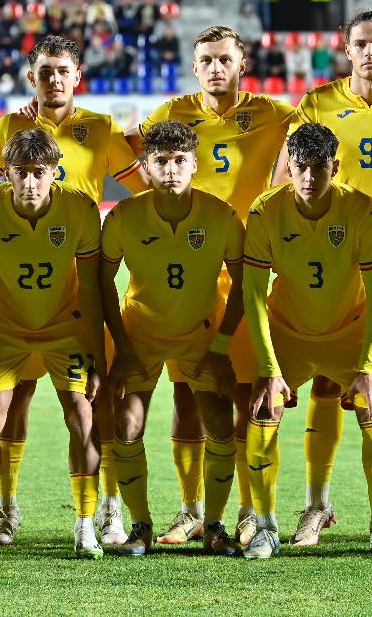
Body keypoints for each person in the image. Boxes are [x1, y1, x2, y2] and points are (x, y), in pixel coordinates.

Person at [0, 34, 147, 548]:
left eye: (63, 71)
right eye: (45, 71)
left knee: (96, 404)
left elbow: (146, 192)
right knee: (11, 404)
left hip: (76, 294)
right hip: (14, 294)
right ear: (31, 78)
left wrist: (146, 139)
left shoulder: (100, 128)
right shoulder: (9, 128)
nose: (54, 79)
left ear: (77, 76)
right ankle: (5, 509)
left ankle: (107, 508)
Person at [126, 25, 298, 546]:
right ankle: (190, 510)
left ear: (243, 64)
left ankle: (247, 510)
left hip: (246, 269)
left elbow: (328, 123)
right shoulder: (171, 112)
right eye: (206, 60)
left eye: (225, 59)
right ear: (195, 66)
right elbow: (132, 150)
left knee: (245, 395)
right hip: (191, 274)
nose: (216, 67)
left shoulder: (273, 113)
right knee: (186, 396)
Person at [273, 10, 372, 552]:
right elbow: (286, 176)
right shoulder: (318, 103)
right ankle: (316, 504)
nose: (370, 53)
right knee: (326, 383)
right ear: (346, 50)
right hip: (335, 268)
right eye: (361, 44)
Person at [240, 122, 372, 559]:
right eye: (300, 166)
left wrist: (367, 366)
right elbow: (253, 294)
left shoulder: (359, 209)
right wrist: (268, 369)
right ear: (288, 166)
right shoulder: (265, 210)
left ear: (335, 167)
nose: (308, 177)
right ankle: (265, 527)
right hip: (289, 332)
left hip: (348, 333)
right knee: (262, 413)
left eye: (319, 167)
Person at [102, 121, 245, 557]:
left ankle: (214, 526)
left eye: (180, 160)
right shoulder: (124, 216)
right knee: (126, 426)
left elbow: (244, 284)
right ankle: (140, 527)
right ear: (145, 167)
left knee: (220, 425)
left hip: (201, 335)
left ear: (194, 165)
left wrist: (220, 348)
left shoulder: (221, 215)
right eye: (161, 161)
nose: (170, 170)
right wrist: (122, 349)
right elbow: (102, 284)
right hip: (141, 333)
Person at [0, 129, 106, 559]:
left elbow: (92, 289)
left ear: (54, 172)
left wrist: (98, 357)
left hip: (64, 326)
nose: (29, 183)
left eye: (38, 173)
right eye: (20, 173)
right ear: (5, 173)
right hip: (5, 327)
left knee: (81, 414)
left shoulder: (80, 209)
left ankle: (85, 524)